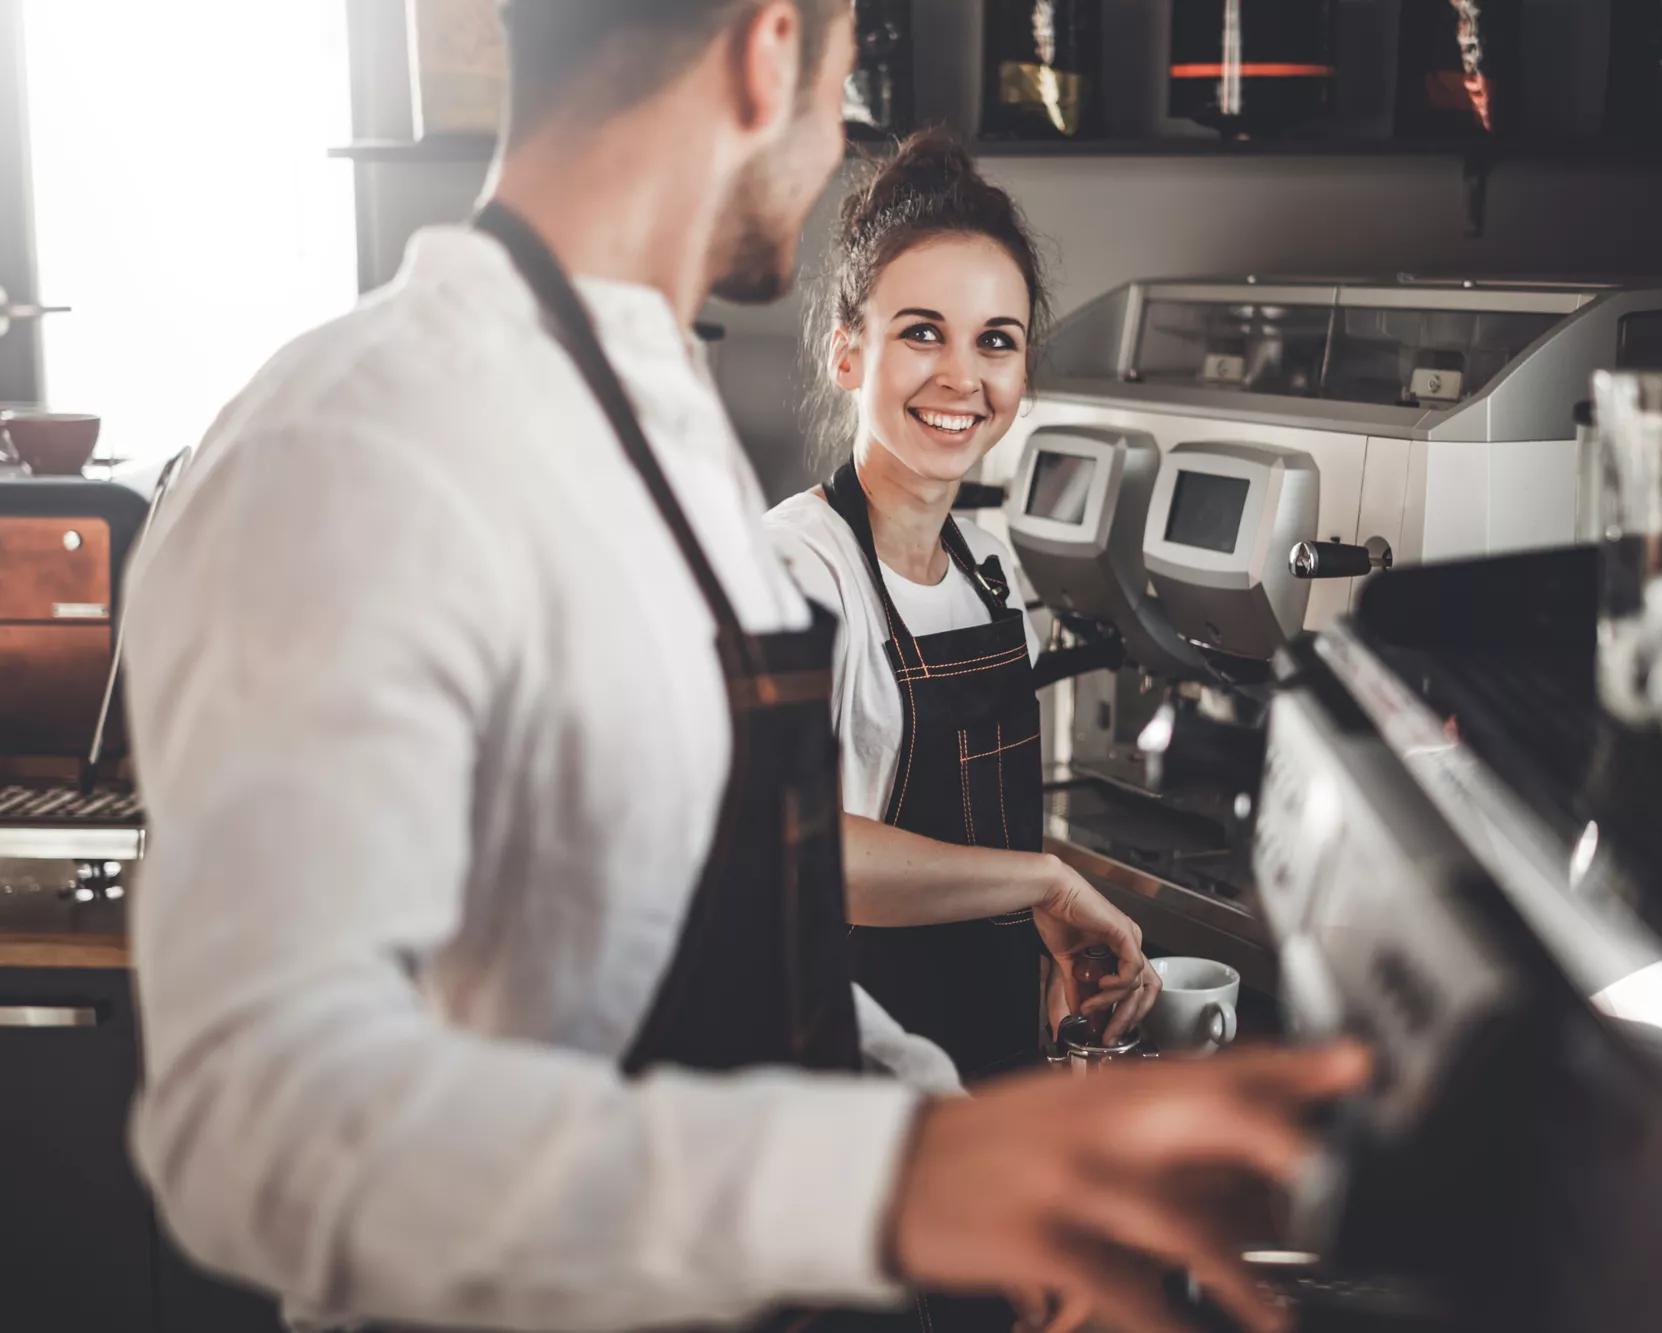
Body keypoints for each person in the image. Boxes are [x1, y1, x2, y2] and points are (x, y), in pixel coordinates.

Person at [120, 3, 1367, 1331]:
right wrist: (895, 1179)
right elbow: (261, 1123)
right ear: (771, 50)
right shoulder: (363, 442)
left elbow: (737, 937)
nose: (836, 137)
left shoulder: (667, 446)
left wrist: (988, 1168)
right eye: (842, 80)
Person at [768, 131, 1159, 1082]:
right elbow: (792, 851)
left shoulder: (987, 568)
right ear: (847, 353)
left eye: (996, 341)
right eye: (921, 332)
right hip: (849, 1090)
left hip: (987, 1072)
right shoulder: (794, 565)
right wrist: (1045, 881)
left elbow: (977, 844)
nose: (961, 376)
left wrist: (1049, 949)